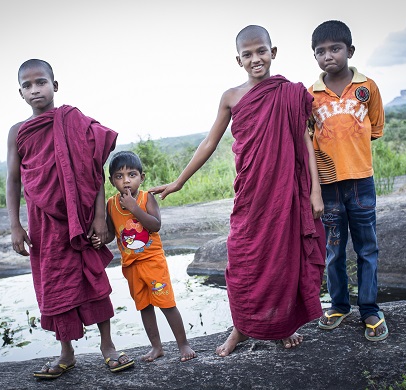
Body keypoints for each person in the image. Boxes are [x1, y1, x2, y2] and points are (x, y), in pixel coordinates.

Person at [149, 25, 326, 357]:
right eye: (248, 54)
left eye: (262, 51)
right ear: (238, 59)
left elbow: (305, 141)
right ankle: (241, 330)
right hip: (251, 194)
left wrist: (315, 191)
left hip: (284, 193)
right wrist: (179, 181)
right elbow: (209, 142)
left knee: (282, 259)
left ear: (274, 53)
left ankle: (283, 326)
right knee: (243, 260)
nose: (255, 59)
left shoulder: (291, 93)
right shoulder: (231, 97)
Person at [6, 59, 135, 379]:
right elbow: (12, 180)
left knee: (92, 278)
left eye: (41, 82)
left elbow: (93, 173)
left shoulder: (75, 122)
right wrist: (15, 225)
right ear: (19, 92)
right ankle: (66, 353)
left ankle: (108, 346)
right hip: (44, 223)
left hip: (82, 217)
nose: (35, 89)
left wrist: (101, 218)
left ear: (55, 85)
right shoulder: (18, 132)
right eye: (27, 85)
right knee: (55, 284)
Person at [308, 20, 388, 341]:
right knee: (334, 248)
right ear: (315, 56)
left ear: (350, 51)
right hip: (328, 186)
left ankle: (369, 308)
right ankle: (339, 304)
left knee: (367, 246)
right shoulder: (311, 96)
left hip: (361, 182)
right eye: (320, 51)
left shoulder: (366, 88)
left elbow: (376, 128)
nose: (328, 56)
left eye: (335, 49)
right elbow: (306, 137)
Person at [91, 151, 196, 363]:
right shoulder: (111, 204)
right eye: (119, 177)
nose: (126, 180)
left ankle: (183, 344)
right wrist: (101, 240)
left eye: (132, 174)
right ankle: (156, 347)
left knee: (166, 303)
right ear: (112, 181)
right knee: (144, 307)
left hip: (152, 261)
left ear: (142, 177)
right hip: (130, 266)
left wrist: (134, 208)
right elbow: (112, 233)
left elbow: (155, 225)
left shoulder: (146, 197)